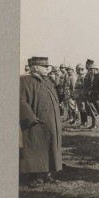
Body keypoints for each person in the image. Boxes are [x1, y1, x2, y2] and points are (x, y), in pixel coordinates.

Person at [19, 57, 62, 186]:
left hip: (51, 123)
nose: (47, 69)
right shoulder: (25, 81)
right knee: (35, 148)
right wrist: (30, 117)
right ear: (35, 68)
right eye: (44, 67)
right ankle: (33, 176)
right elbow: (20, 101)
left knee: (51, 147)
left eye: (47, 66)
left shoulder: (47, 82)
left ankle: (46, 174)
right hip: (35, 123)